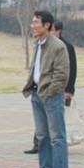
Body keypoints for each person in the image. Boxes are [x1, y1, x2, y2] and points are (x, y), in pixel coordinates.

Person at [22, 11, 69, 168]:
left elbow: (61, 74)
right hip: (36, 94)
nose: (33, 26)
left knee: (57, 136)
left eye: (36, 22)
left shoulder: (57, 46)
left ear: (46, 25)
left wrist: (50, 92)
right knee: (43, 135)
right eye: (32, 22)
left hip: (51, 96)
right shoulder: (38, 43)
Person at [24, 20, 77, 154]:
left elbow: (70, 70)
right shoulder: (42, 45)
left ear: (57, 31)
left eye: (53, 30)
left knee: (56, 126)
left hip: (56, 91)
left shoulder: (65, 46)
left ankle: (58, 159)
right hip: (41, 91)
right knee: (42, 124)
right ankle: (39, 147)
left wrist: (68, 90)